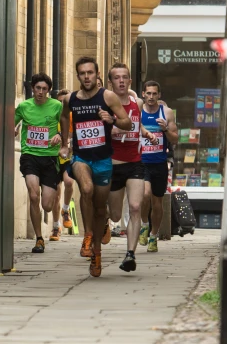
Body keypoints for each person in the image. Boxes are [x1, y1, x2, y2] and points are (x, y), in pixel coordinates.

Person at [60, 57, 131, 277]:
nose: (87, 77)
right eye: (82, 73)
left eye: (90, 72)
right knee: (86, 189)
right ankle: (88, 235)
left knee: (101, 209)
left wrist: (111, 120)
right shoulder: (70, 99)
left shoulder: (107, 97)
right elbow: (63, 118)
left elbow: (127, 123)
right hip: (82, 158)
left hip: (103, 160)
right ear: (77, 75)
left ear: (97, 74)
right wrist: (64, 144)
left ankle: (96, 254)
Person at [108, 64, 158, 272]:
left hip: (135, 163)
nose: (121, 81)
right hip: (113, 165)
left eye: (125, 77)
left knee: (136, 207)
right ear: (111, 82)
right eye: (117, 78)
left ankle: (130, 254)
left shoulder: (136, 102)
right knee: (115, 216)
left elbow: (137, 124)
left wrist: (146, 133)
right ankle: (105, 223)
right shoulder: (106, 105)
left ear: (130, 81)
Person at [15, 73, 63, 254]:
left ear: (49, 91)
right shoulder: (24, 106)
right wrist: (11, 130)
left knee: (47, 205)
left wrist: (60, 135)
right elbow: (10, 123)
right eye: (38, 88)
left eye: (44, 89)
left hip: (50, 158)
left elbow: (66, 126)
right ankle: (39, 239)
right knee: (33, 195)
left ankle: (46, 227)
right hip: (30, 155)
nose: (41, 92)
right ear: (32, 89)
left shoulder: (57, 106)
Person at [139, 80, 178, 252]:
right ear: (143, 94)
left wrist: (164, 130)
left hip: (160, 163)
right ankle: (144, 225)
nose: (151, 97)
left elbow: (175, 139)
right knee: (145, 195)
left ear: (159, 95)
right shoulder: (139, 112)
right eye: (148, 93)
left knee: (157, 202)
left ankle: (153, 236)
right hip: (142, 162)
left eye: (154, 94)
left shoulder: (167, 112)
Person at [50, 88, 74, 241]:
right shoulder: (52, 116)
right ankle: (56, 226)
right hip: (53, 157)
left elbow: (74, 134)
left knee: (69, 181)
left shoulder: (72, 117)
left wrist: (69, 142)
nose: (61, 105)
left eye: (64, 102)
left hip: (67, 156)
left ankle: (66, 209)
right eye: (59, 102)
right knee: (55, 193)